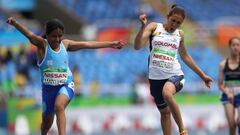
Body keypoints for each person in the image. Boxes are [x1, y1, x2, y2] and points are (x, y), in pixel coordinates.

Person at [6, 17, 125, 135]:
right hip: (48, 90)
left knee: (59, 106)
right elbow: (30, 35)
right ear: (46, 35)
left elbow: (87, 44)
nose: (57, 39)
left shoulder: (66, 44)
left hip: (66, 84)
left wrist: (111, 44)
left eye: (60, 36)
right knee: (46, 125)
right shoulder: (42, 45)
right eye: (54, 36)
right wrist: (15, 23)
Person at [134, 5, 212, 135]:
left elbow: (185, 57)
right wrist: (142, 27)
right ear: (167, 17)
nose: (175, 24)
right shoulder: (154, 27)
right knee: (164, 113)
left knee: (167, 93)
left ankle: (182, 130)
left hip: (175, 75)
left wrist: (203, 76)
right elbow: (137, 46)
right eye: (173, 20)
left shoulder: (179, 34)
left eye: (178, 23)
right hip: (155, 79)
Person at [218, 37, 240, 135]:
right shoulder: (223, 64)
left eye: (238, 45)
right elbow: (220, 84)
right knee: (232, 124)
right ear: (229, 47)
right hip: (228, 95)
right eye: (233, 45)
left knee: (239, 121)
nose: (235, 47)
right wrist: (227, 92)